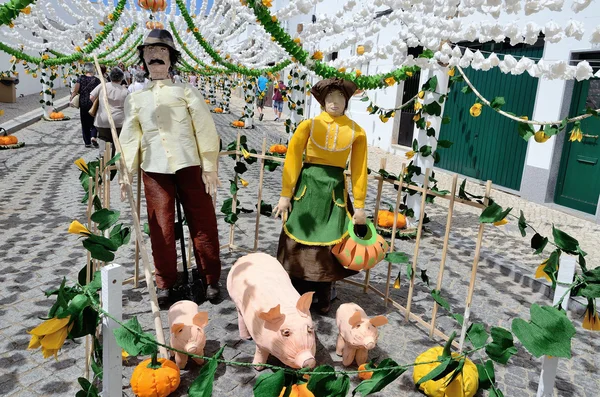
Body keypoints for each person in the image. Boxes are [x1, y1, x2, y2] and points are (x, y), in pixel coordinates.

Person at [119, 29, 222, 307]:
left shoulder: (186, 91)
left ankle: (210, 278)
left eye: (162, 52)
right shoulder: (136, 99)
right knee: (160, 226)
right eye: (150, 53)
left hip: (189, 164)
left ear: (171, 59)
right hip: (154, 167)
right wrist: (125, 172)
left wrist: (210, 166)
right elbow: (130, 137)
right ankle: (165, 281)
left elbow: (204, 128)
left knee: (203, 222)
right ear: (143, 60)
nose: (155, 57)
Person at [274, 78, 368, 314]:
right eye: (329, 97)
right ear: (322, 101)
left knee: (330, 243)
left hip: (334, 191)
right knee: (298, 238)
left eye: (339, 97)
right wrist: (286, 194)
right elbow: (293, 159)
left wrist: (360, 206)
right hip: (308, 188)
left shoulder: (356, 132)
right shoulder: (309, 125)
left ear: (346, 102)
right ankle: (295, 295)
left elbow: (359, 169)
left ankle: (323, 296)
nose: (334, 102)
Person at [90, 67, 129, 164]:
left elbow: (91, 97)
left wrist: (100, 103)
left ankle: (103, 158)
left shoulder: (103, 86)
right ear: (121, 78)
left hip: (103, 119)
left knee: (103, 137)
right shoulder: (125, 91)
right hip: (119, 122)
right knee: (118, 140)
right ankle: (116, 160)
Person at [70, 63, 100, 148]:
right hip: (93, 103)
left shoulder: (80, 78)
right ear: (93, 70)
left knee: (84, 122)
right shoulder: (96, 80)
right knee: (94, 121)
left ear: (85, 70)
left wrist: (71, 98)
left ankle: (87, 142)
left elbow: (76, 90)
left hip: (83, 102)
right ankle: (93, 136)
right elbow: (99, 92)